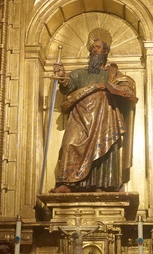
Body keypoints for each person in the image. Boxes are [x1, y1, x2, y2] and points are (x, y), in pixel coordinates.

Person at [52, 30, 137, 192]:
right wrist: (62, 76)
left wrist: (125, 88)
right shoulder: (80, 73)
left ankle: (102, 185)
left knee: (103, 147)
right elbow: (68, 86)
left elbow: (125, 85)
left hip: (103, 117)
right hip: (80, 116)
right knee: (69, 143)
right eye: (92, 48)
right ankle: (66, 183)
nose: (93, 50)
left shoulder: (112, 74)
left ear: (105, 52)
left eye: (97, 47)